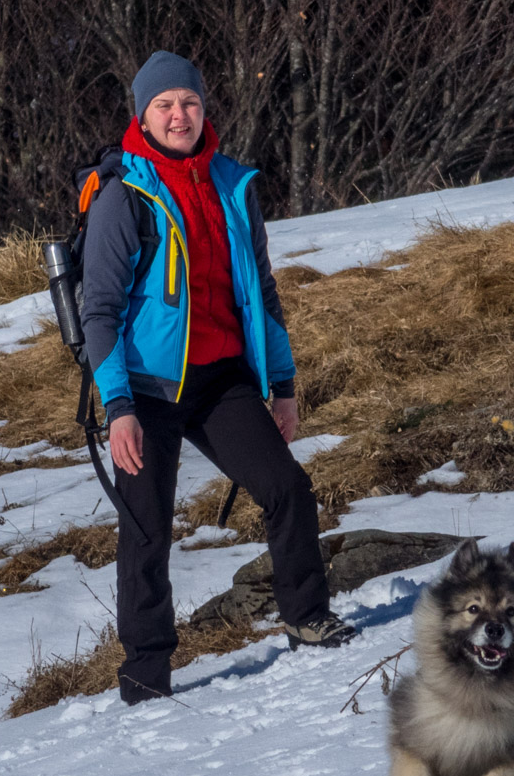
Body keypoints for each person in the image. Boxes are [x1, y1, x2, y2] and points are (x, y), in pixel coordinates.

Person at [80, 50, 356, 705]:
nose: (179, 115)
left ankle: (307, 615)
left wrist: (282, 388)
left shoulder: (232, 183)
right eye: (165, 106)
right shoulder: (126, 196)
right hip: (145, 392)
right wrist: (117, 405)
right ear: (142, 117)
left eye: (190, 103)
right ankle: (146, 674)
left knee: (287, 486)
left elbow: (260, 291)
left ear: (206, 110)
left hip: (220, 380)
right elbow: (99, 312)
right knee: (146, 530)